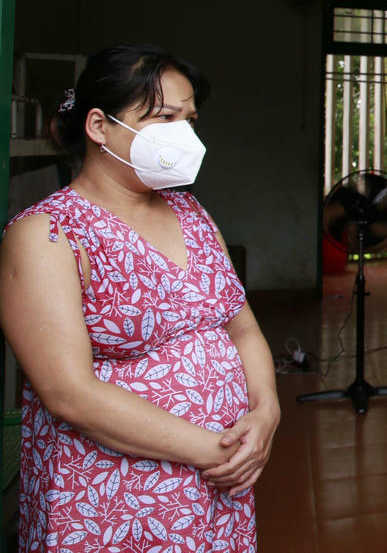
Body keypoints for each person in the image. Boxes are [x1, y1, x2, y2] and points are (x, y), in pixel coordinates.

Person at [0, 44, 278, 552]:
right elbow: (68, 393)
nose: (183, 133)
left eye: (189, 119)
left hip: (220, 485)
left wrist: (265, 413)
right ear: (99, 126)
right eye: (164, 118)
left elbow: (240, 326)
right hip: (110, 495)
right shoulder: (48, 234)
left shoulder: (192, 213)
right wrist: (215, 450)